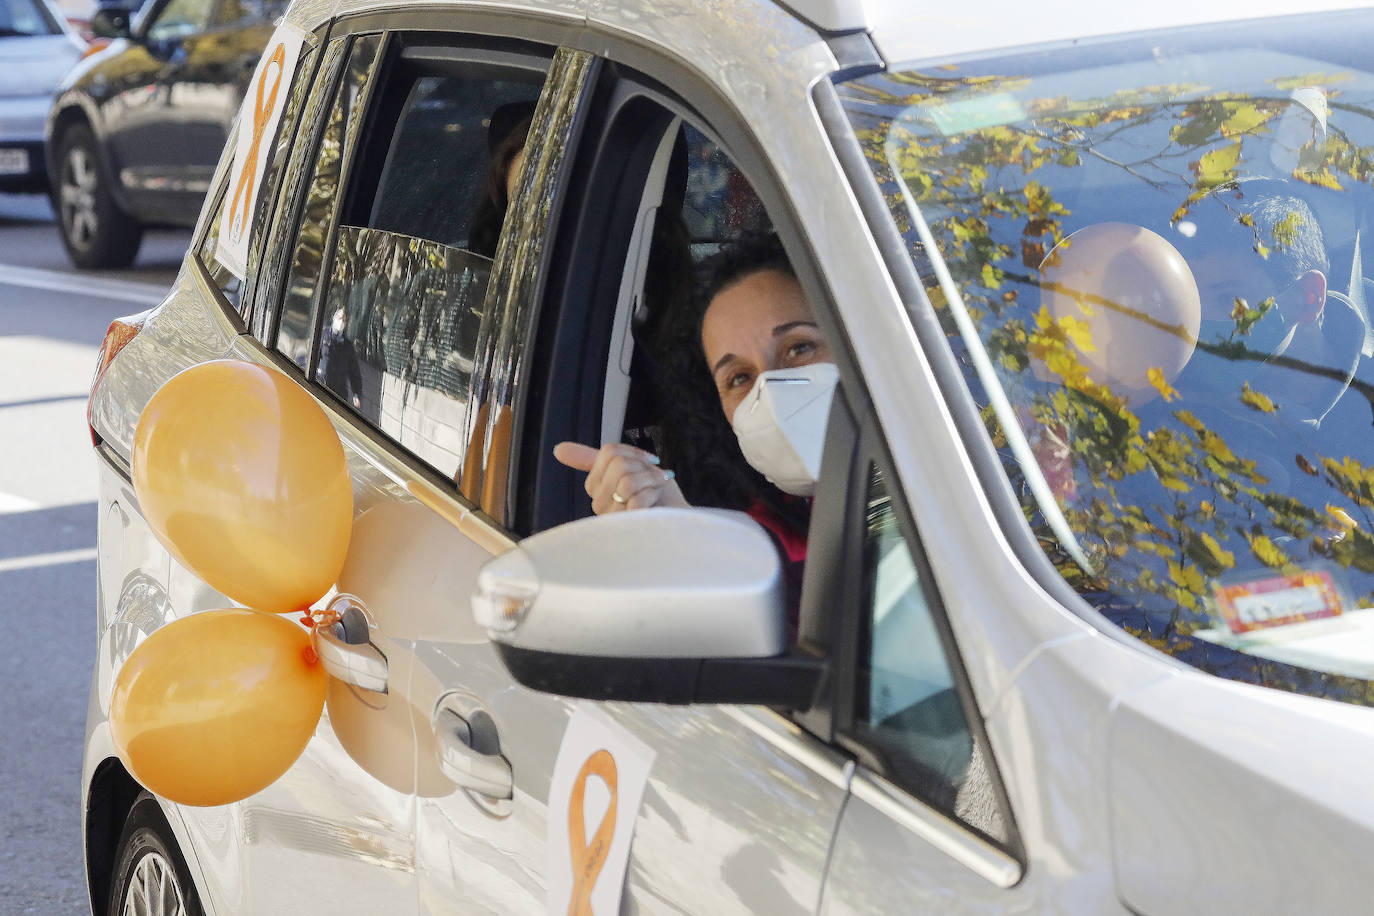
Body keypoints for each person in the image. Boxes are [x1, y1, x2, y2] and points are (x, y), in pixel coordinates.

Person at [553, 232, 834, 562]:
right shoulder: (753, 544)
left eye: (799, 348)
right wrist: (680, 540)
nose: (771, 392)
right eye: (739, 378)